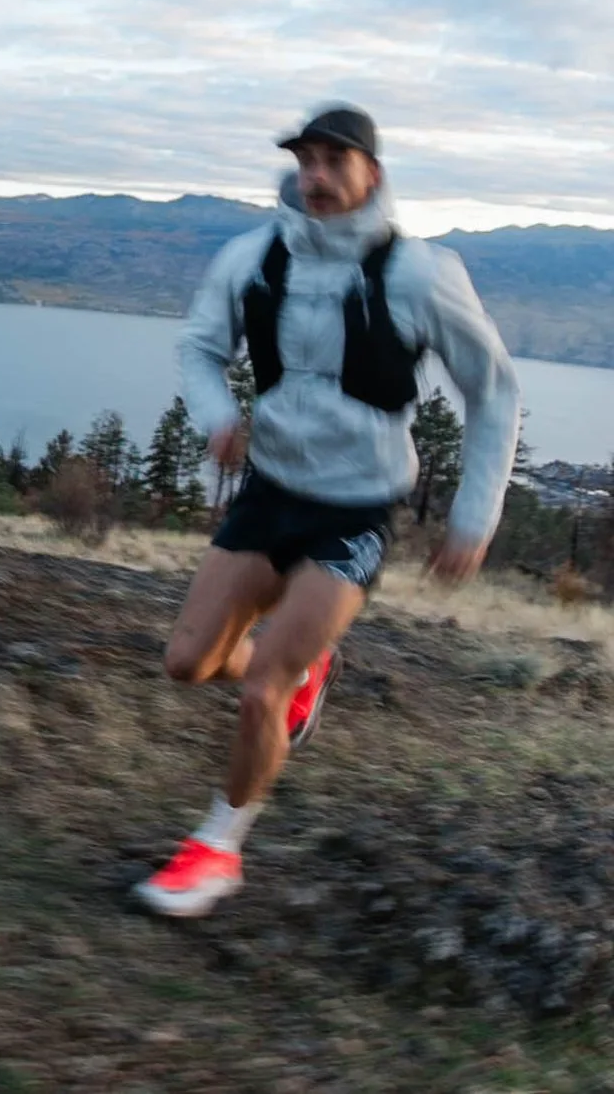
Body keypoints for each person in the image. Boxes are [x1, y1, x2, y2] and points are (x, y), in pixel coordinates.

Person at [135, 104, 520, 917]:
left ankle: (216, 849)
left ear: (371, 173)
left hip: (354, 509)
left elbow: (493, 391)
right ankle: (308, 666)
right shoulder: (254, 257)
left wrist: (473, 516)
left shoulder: (419, 273)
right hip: (270, 492)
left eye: (333, 161)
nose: (315, 175)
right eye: (305, 159)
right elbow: (201, 347)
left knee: (261, 689)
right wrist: (217, 416)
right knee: (189, 661)